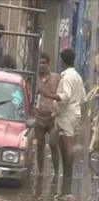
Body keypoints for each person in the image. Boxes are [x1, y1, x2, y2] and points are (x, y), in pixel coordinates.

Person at [39, 48, 86, 177]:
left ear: (63, 61)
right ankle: (64, 177)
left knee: (67, 147)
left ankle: (67, 178)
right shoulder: (77, 76)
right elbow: (83, 97)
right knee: (61, 144)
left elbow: (65, 97)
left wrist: (48, 95)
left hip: (67, 116)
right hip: (70, 114)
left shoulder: (67, 77)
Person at [35, 53, 60, 175]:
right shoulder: (34, 79)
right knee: (39, 145)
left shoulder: (56, 78)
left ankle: (56, 173)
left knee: (53, 144)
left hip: (52, 117)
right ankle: (40, 173)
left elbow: (61, 96)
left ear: (48, 64)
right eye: (39, 63)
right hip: (39, 116)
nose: (41, 65)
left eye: (44, 63)